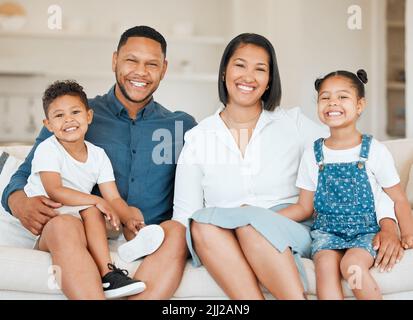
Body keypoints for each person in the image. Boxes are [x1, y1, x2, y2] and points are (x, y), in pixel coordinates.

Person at [172, 33, 404, 300]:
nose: (249, 76)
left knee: (253, 226)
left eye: (260, 69)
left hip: (290, 226)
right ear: (224, 71)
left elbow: (362, 166)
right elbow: (184, 215)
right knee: (200, 225)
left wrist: (389, 224)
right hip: (225, 234)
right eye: (240, 65)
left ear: (269, 80)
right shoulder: (199, 137)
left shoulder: (293, 124)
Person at [1, 26, 196, 299]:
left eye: (151, 64)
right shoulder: (73, 116)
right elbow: (23, 175)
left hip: (144, 238)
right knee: (63, 224)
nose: (140, 71)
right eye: (131, 60)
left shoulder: (181, 125)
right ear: (115, 60)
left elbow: (205, 185)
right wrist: (18, 202)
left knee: (176, 231)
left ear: (163, 69)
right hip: (79, 230)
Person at [277, 69, 413, 300]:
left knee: (352, 267)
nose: (333, 103)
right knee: (325, 268)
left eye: (342, 97)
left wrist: (408, 236)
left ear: (360, 105)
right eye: (325, 97)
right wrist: (265, 217)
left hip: (365, 232)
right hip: (326, 233)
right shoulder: (313, 153)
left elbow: (398, 198)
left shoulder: (374, 150)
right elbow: (304, 208)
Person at [26, 80, 158, 299]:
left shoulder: (98, 155)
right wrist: (96, 200)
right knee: (92, 206)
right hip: (49, 226)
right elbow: (55, 190)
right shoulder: (48, 149)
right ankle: (113, 262)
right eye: (59, 116)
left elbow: (113, 198)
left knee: (128, 212)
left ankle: (113, 268)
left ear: (88, 116)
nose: (68, 119)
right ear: (48, 124)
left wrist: (127, 219)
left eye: (75, 112)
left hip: (79, 220)